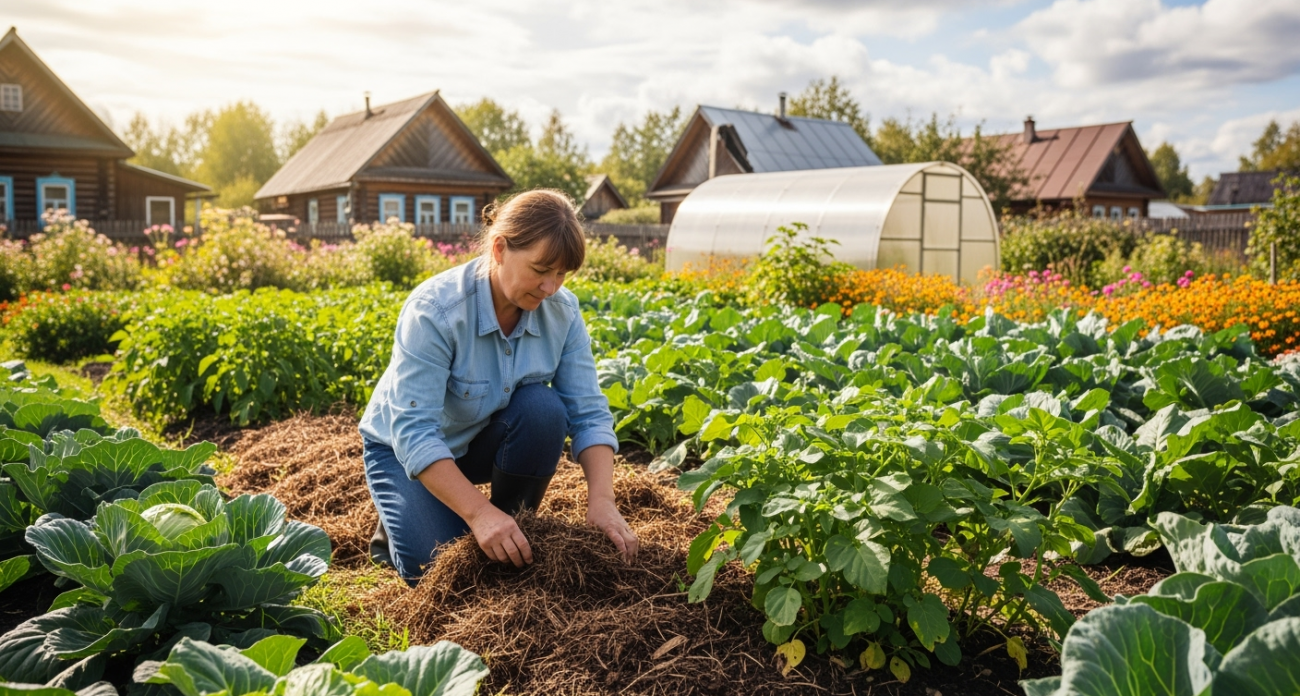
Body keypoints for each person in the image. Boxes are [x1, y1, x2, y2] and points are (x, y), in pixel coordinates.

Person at [359, 189, 639, 585]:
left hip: (476, 438)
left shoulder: (562, 312)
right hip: (403, 451)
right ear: (499, 248)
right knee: (439, 572)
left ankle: (506, 525)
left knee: (543, 409)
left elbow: (588, 412)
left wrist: (603, 501)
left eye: (562, 273)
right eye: (541, 269)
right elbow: (415, 433)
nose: (550, 287)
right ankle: (406, 516)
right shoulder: (436, 312)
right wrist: (478, 514)